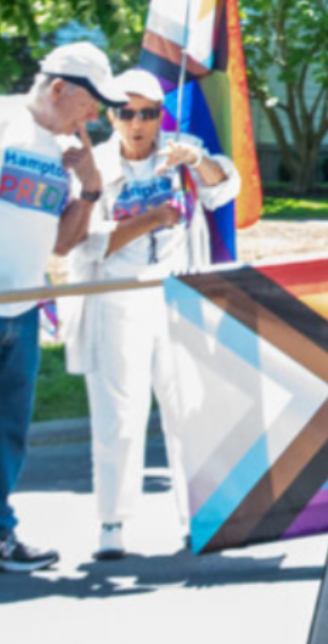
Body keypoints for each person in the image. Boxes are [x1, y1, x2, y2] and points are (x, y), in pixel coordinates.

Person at [62, 68, 240, 560]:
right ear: (113, 116)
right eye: (127, 113)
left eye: (148, 113)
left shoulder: (181, 150)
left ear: (161, 114)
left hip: (177, 294)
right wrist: (150, 220)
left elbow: (225, 188)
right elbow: (83, 246)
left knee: (189, 410)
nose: (139, 124)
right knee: (119, 414)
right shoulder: (93, 165)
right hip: (117, 299)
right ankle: (112, 523)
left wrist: (198, 160)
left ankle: (196, 517)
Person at [0, 42, 124, 572]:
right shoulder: (5, 121)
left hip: (22, 309)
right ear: (58, 88)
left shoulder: (64, 150)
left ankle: (1, 536)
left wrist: (91, 187)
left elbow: (62, 244)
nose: (96, 116)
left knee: (9, 432)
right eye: (92, 103)